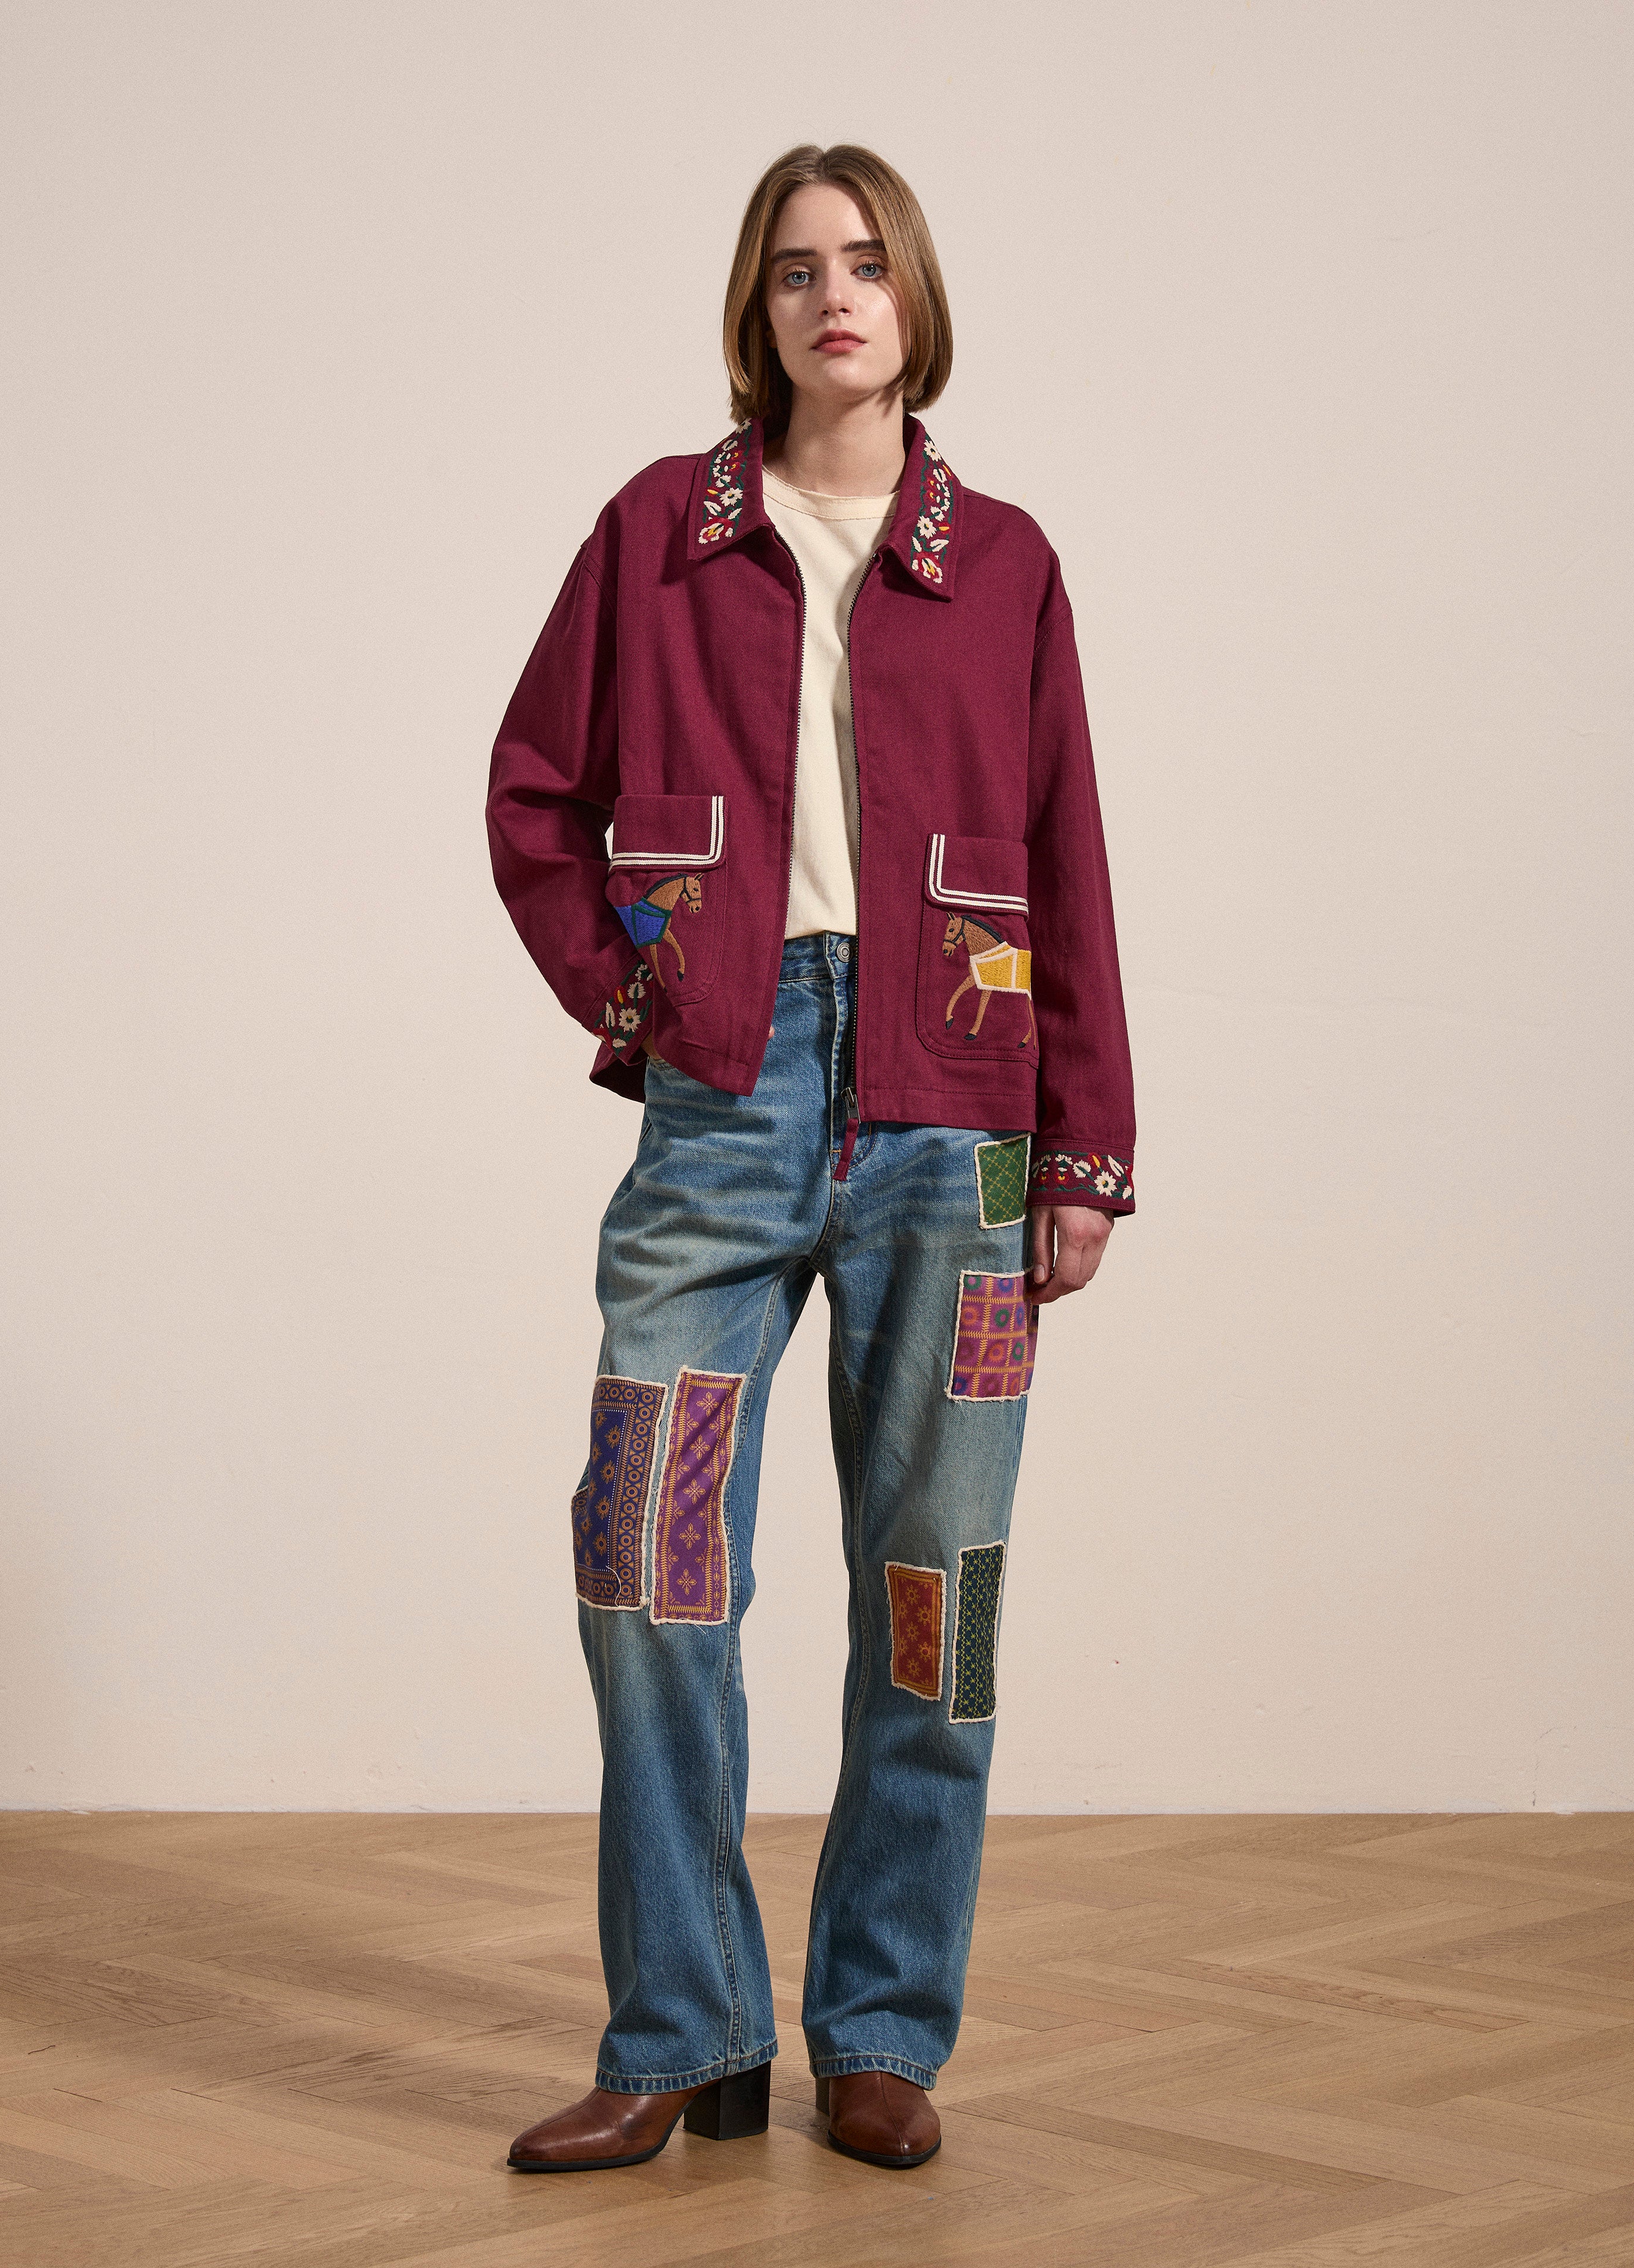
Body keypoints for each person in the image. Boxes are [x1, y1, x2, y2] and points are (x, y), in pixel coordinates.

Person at [486, 142, 1135, 2175]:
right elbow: (534, 799)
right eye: (793, 272)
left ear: (914, 296)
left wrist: (1087, 1150)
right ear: (754, 311)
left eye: (866, 265)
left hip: (961, 1118)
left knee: (935, 1591)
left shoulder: (1007, 561)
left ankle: (876, 2028)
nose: (832, 298)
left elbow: (1076, 860)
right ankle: (683, 2028)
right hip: (730, 1093)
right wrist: (648, 1004)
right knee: (646, 1571)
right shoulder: (656, 539)